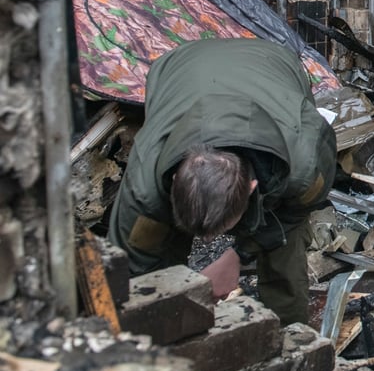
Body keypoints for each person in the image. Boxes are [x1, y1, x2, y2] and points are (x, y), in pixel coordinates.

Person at [107, 38, 337, 325]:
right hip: (178, 68)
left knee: (283, 247)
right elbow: (131, 265)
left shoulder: (303, 165)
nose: (206, 242)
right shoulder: (146, 182)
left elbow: (293, 214)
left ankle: (289, 333)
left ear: (252, 188)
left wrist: (238, 256)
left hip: (272, 63)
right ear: (175, 177)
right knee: (159, 256)